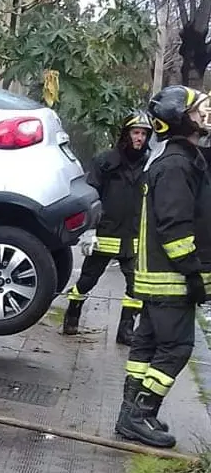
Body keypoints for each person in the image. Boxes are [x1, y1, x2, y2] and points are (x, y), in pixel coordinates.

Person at [114, 86, 210, 448]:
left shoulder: (175, 158)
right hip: (171, 278)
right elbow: (175, 225)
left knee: (146, 346)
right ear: (178, 118)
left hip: (159, 276)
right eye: (197, 111)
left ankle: (131, 414)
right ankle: (140, 413)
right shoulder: (175, 165)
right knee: (177, 348)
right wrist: (192, 271)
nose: (203, 116)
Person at [62, 110, 153, 344]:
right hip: (105, 235)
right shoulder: (105, 162)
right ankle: (72, 314)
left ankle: (125, 331)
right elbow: (90, 195)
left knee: (136, 287)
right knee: (87, 281)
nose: (139, 138)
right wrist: (89, 230)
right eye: (135, 132)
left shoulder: (150, 165)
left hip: (133, 239)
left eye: (144, 134)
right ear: (126, 134)